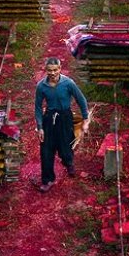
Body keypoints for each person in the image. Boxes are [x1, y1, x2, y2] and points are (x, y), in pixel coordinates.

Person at [34, 57, 89, 192]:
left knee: (65, 149)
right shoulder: (41, 86)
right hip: (49, 119)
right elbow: (38, 108)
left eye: (55, 70)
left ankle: (68, 163)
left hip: (65, 118)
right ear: (45, 70)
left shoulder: (68, 83)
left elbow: (81, 100)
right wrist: (40, 127)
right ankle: (48, 180)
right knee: (46, 151)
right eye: (49, 70)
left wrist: (86, 120)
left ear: (60, 69)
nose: (52, 73)